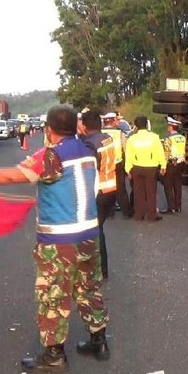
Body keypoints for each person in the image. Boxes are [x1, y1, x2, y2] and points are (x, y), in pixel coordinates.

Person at [0, 105, 110, 373]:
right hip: (89, 236)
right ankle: (99, 341)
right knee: (89, 289)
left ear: (49, 129)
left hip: (60, 242)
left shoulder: (51, 156)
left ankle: (54, 355)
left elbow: (13, 175)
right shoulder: (87, 151)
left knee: (53, 296)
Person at [80, 108, 117, 281]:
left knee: (94, 232)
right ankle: (102, 270)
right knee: (99, 230)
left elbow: (87, 169)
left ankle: (98, 271)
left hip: (99, 191)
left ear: (85, 126)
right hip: (111, 188)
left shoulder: (90, 144)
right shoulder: (106, 138)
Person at [125, 116, 166, 221]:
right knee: (151, 192)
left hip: (137, 168)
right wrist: (163, 165)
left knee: (138, 193)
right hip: (151, 168)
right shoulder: (154, 137)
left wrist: (128, 169)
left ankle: (139, 215)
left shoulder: (131, 139)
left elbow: (128, 155)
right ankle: (152, 216)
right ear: (147, 124)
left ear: (136, 126)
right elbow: (160, 153)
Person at [102, 112, 131, 218]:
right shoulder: (119, 134)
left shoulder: (100, 133)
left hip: (104, 164)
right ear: (113, 121)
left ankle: (109, 212)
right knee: (120, 188)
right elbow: (126, 149)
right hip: (117, 163)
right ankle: (126, 212)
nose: (118, 122)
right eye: (116, 120)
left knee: (107, 188)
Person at [161, 116, 187, 214]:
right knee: (178, 185)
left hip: (171, 164)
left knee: (168, 186)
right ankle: (178, 206)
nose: (167, 127)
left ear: (171, 127)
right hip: (180, 163)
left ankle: (171, 207)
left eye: (168, 126)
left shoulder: (168, 139)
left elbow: (166, 153)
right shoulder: (182, 137)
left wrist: (163, 166)